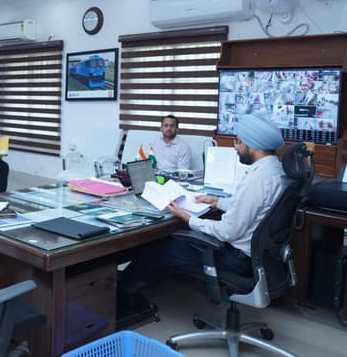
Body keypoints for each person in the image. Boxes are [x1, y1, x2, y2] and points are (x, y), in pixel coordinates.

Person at [120, 113, 286, 291]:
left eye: (238, 142)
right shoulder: (275, 170)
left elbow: (227, 231)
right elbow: (251, 206)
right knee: (166, 245)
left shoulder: (257, 180)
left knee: (156, 248)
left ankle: (122, 294)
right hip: (257, 255)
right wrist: (217, 202)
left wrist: (187, 218)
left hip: (235, 258)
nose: (236, 147)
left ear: (252, 145)